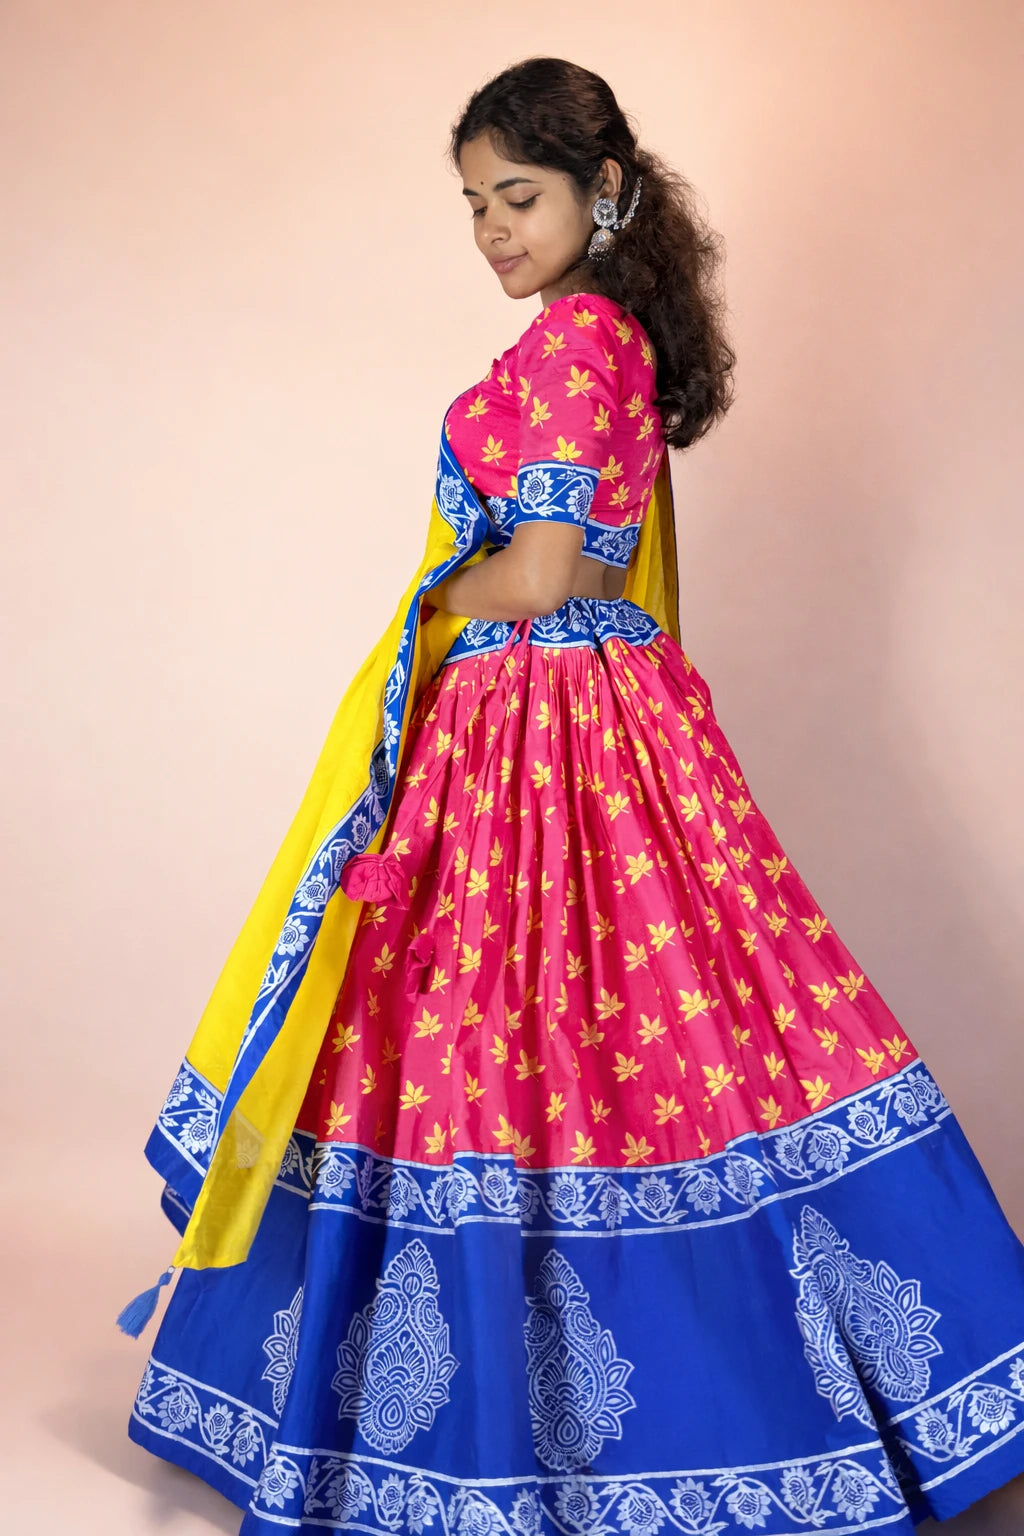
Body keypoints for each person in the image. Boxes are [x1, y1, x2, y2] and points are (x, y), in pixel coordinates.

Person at [123, 56, 1024, 1536]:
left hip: (546, 733)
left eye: (519, 197)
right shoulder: (605, 342)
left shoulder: (570, 346)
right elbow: (593, 565)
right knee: (652, 1033)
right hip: (585, 716)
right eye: (473, 204)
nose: (491, 228)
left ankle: (548, 1420)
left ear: (605, 192)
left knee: (510, 1030)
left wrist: (431, 606)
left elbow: (545, 576)